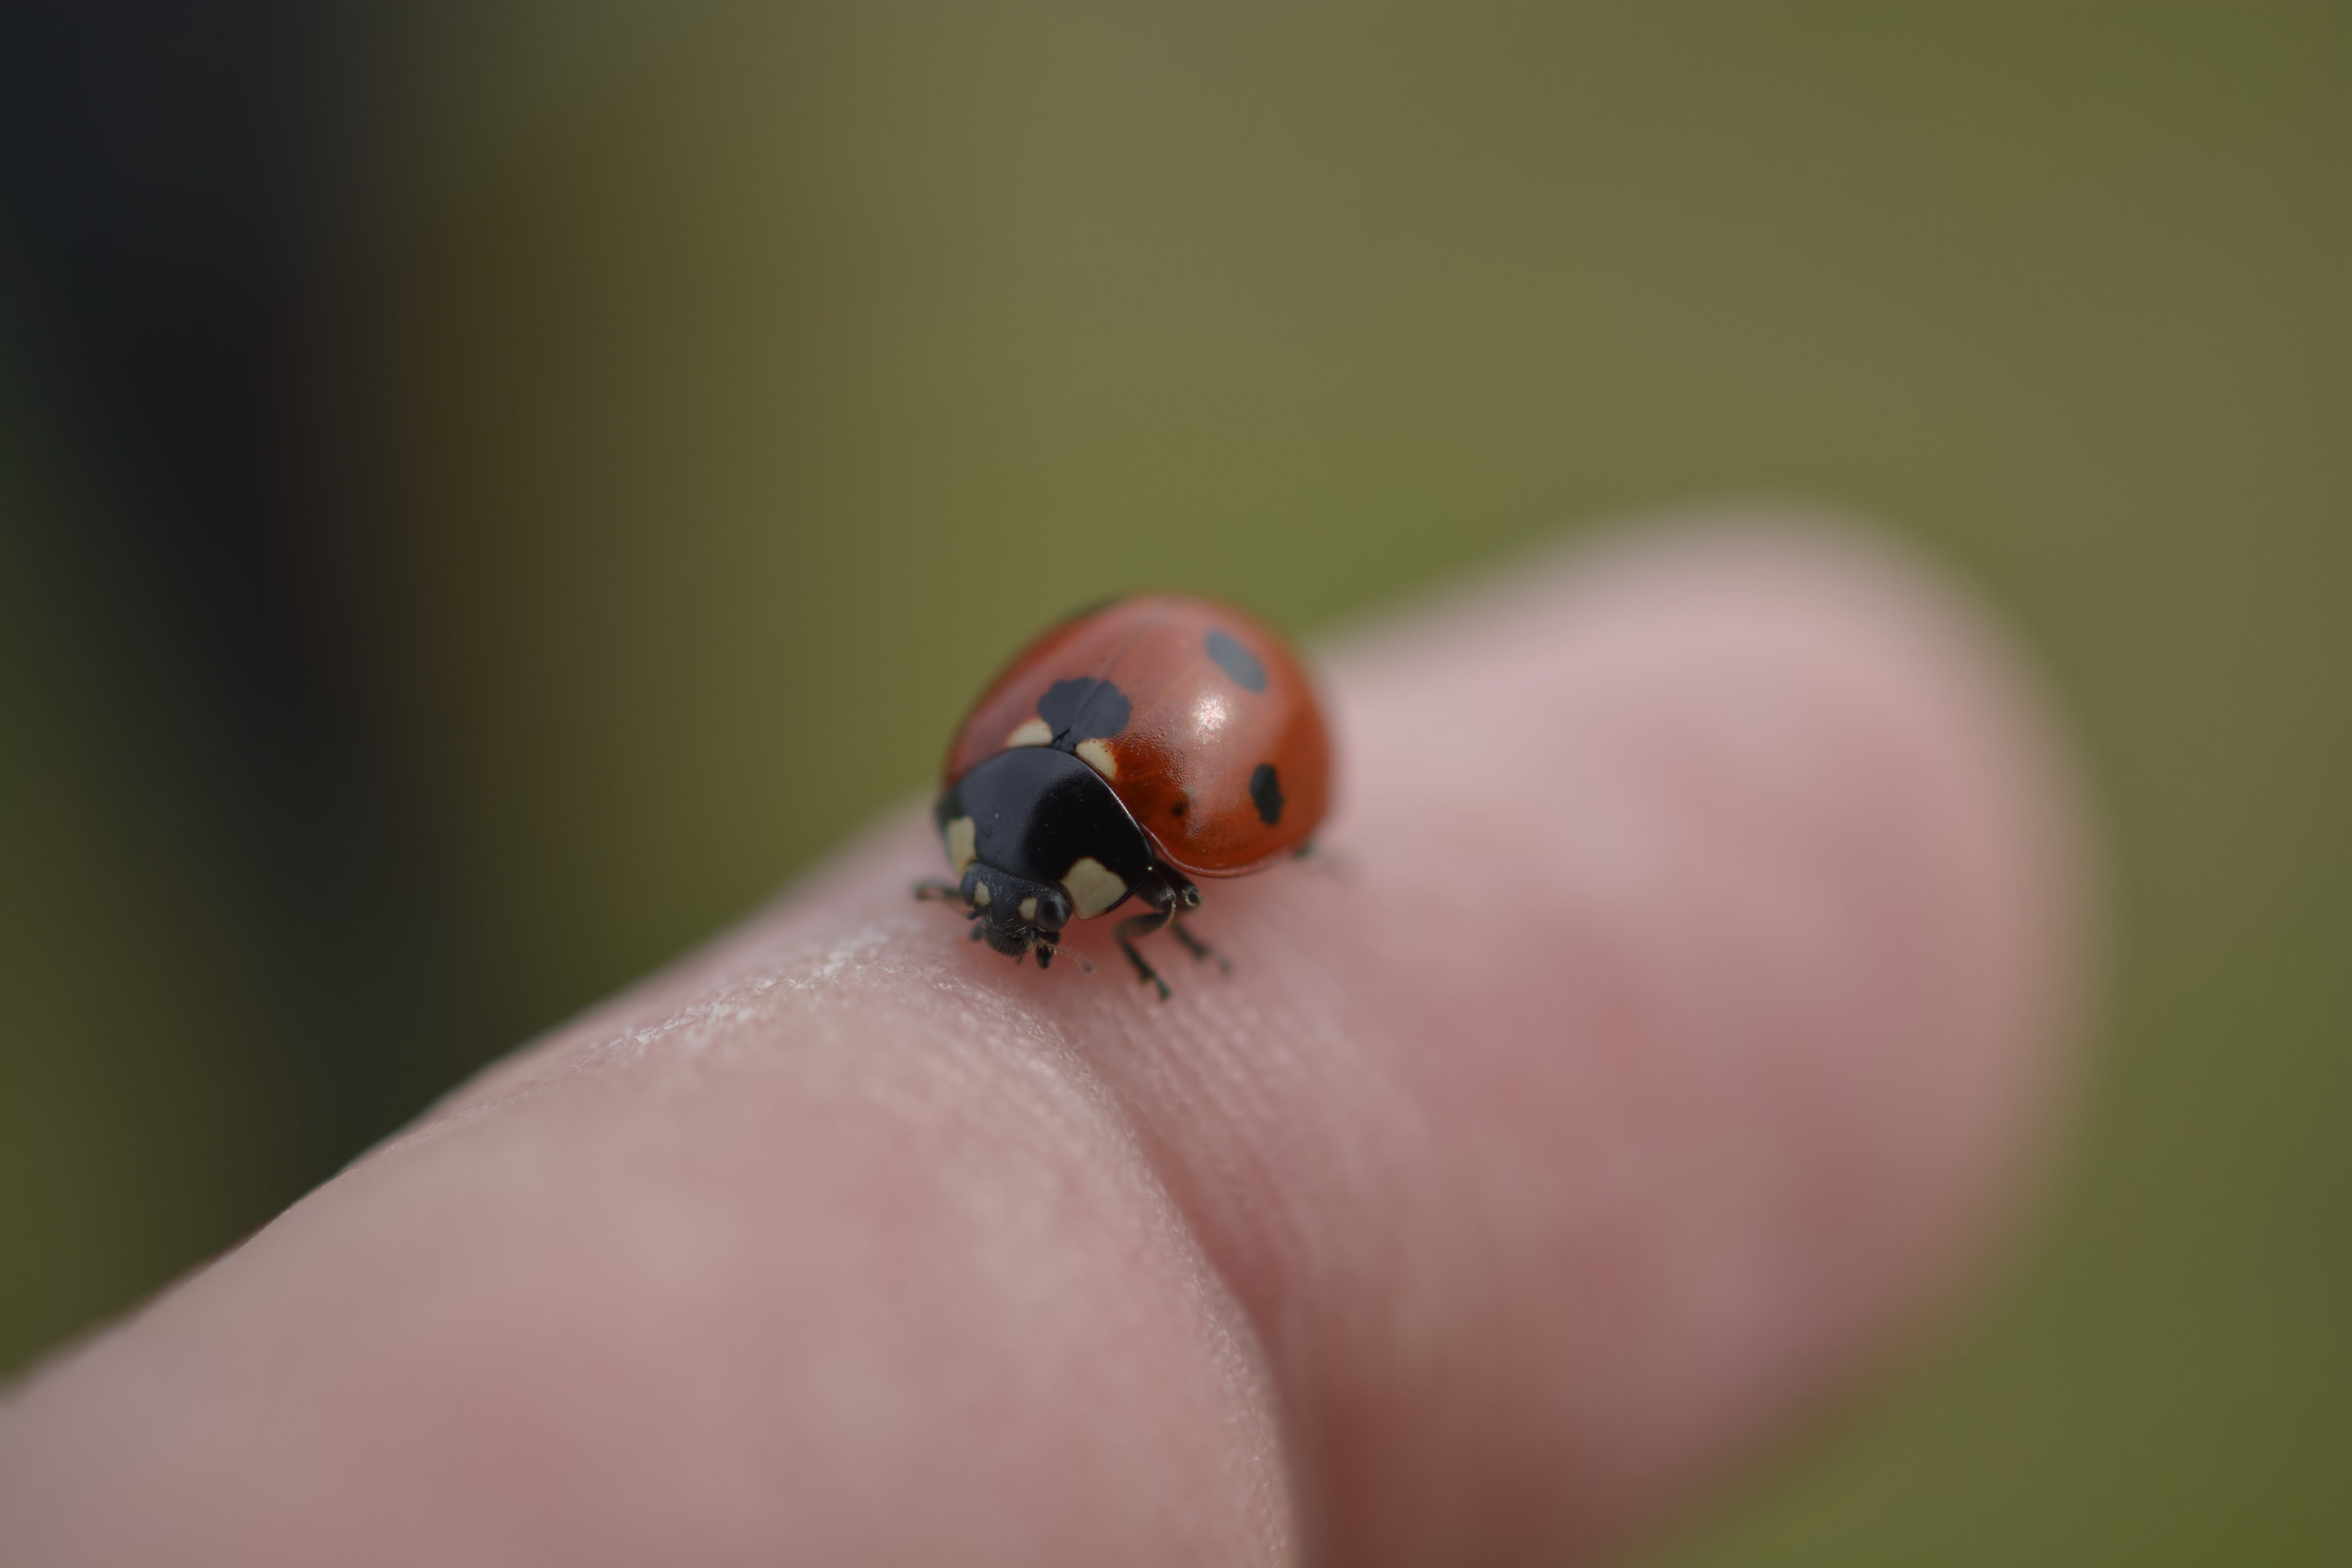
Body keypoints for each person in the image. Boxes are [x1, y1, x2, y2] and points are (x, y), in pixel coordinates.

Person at [0, 524, 2089, 1566]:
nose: (1009, 918)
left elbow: (1147, 839)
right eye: (1003, 892)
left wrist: (1131, 911)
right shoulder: (1016, 809)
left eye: (1022, 898)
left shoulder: (1141, 821)